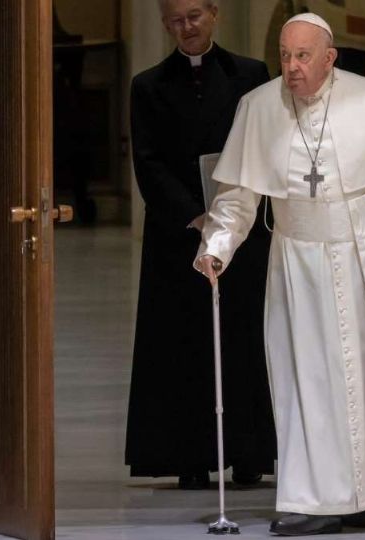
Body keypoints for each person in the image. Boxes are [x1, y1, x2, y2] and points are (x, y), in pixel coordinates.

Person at [196, 13, 365, 535]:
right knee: (309, 380)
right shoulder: (259, 107)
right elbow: (238, 195)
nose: (292, 68)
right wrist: (217, 247)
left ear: (330, 58)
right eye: (285, 56)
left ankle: (361, 494)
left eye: (303, 57)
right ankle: (316, 498)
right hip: (298, 260)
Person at [125, 0, 276, 490]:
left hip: (243, 233)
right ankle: (189, 456)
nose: (184, 28)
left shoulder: (251, 75)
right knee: (180, 341)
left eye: (193, 16)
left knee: (242, 338)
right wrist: (196, 215)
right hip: (178, 235)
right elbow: (148, 161)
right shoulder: (147, 85)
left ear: (214, 14)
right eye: (174, 21)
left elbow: (265, 145)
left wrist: (231, 213)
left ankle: (249, 455)